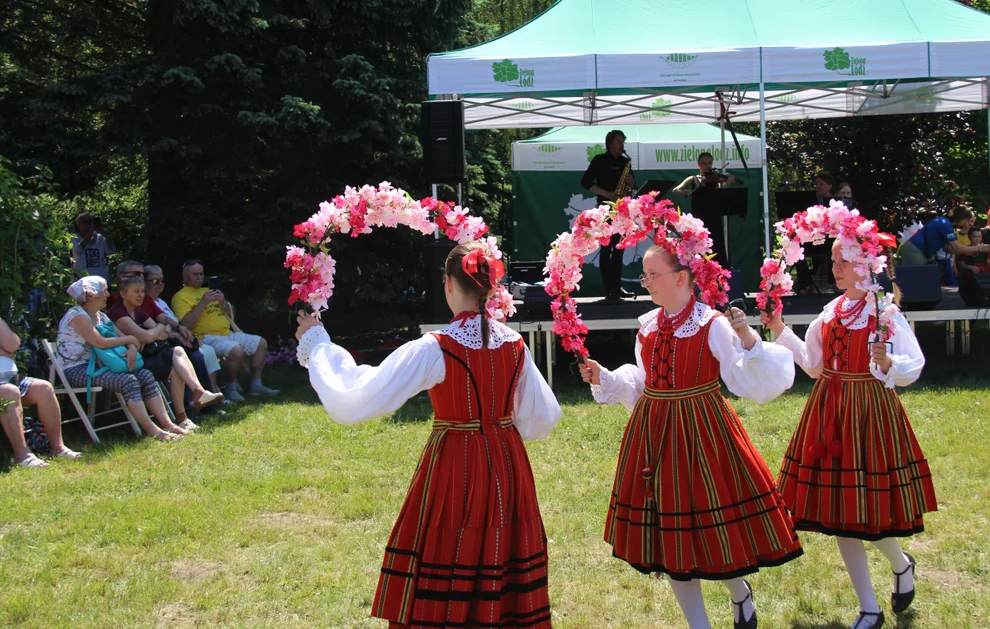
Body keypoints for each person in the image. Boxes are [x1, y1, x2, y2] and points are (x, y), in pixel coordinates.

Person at [294, 241, 561, 628]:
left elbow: (359, 394)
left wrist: (317, 344)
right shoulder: (515, 344)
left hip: (458, 462)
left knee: (451, 541)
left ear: (449, 285)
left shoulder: (436, 347)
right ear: (489, 288)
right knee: (501, 544)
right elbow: (543, 417)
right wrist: (498, 429)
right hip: (506, 461)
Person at [578, 244, 801, 629]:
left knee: (715, 524)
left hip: (703, 433)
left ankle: (738, 591)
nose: (645, 282)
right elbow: (646, 384)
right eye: (644, 275)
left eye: (652, 275)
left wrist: (747, 337)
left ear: (681, 278)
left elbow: (744, 377)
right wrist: (607, 377)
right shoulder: (647, 324)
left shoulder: (711, 323)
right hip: (655, 435)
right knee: (672, 538)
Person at [763, 241, 935, 629]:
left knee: (869, 511)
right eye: (834, 261)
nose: (835, 268)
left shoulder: (883, 311)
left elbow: (915, 364)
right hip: (830, 412)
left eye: (843, 262)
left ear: (866, 264)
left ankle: (900, 564)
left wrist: (890, 361)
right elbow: (813, 367)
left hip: (869, 414)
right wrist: (780, 330)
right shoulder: (831, 311)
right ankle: (869, 607)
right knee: (841, 515)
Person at [54, 277, 188, 441]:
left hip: (99, 366)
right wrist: (130, 341)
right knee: (128, 381)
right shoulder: (76, 315)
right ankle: (153, 430)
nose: (108, 294)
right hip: (76, 370)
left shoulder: (100, 317)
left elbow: (124, 337)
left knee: (145, 375)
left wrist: (131, 347)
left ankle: (167, 424)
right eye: (104, 291)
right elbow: (99, 342)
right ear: (90, 295)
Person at [109, 276, 222, 431]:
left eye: (142, 291)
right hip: (134, 361)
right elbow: (151, 334)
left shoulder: (137, 311)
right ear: (122, 293)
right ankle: (196, 395)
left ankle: (185, 414)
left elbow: (163, 333)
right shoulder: (118, 313)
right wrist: (152, 332)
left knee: (177, 360)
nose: (141, 295)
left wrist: (153, 332)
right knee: (177, 354)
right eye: (136, 291)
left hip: (147, 355)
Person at [172, 261, 277, 401]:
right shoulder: (180, 297)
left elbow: (231, 313)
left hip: (228, 334)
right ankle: (230, 386)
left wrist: (223, 303)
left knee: (261, 343)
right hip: (205, 338)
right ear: (185, 277)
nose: (199, 277)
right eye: (195, 274)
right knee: (236, 350)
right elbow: (185, 324)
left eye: (201, 274)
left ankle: (256, 384)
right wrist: (203, 303)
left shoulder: (208, 290)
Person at [1, 317, 81, 467]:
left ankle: (57, 447)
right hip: (3, 386)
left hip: (11, 376)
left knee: (43, 388)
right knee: (9, 392)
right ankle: (23, 455)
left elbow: (12, 346)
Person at [145, 265, 225, 403]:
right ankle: (194, 401)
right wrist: (180, 335)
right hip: (164, 345)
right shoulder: (145, 303)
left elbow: (170, 322)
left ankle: (210, 395)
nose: (161, 284)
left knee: (206, 352)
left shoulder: (161, 302)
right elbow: (158, 328)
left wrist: (185, 334)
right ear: (145, 282)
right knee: (197, 355)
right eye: (156, 281)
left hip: (181, 340)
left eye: (162, 280)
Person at [580, 130, 635, 301]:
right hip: (604, 209)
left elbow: (633, 184)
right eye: (619, 142)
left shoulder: (626, 162)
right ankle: (608, 289)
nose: (622, 145)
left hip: (621, 210)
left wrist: (631, 183)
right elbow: (585, 182)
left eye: (623, 142)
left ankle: (617, 287)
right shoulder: (600, 160)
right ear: (610, 143)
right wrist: (606, 193)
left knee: (619, 249)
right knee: (606, 249)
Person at [898, 206, 990, 287]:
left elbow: (947, 248)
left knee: (918, 281)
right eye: (966, 221)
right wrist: (979, 248)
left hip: (919, 251)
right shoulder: (945, 224)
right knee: (915, 281)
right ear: (961, 218)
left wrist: (969, 251)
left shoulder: (947, 224)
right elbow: (957, 247)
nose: (967, 224)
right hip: (916, 250)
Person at [672, 152, 737, 266]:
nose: (707, 166)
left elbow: (720, 195)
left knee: (716, 247)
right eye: (704, 163)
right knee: (699, 247)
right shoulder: (693, 179)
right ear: (699, 165)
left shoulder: (715, 179)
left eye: (709, 163)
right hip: (699, 220)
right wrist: (685, 192)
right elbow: (675, 190)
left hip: (713, 218)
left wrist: (727, 183)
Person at [71, 212, 115, 280]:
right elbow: (78, 250)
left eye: (91, 221)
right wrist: (90, 233)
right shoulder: (74, 238)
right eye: (87, 222)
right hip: (82, 280)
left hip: (101, 279)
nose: (89, 224)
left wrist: (105, 234)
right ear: (79, 224)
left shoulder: (100, 237)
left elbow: (111, 251)